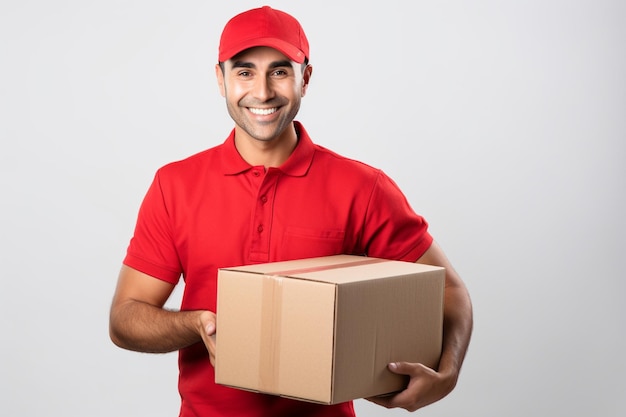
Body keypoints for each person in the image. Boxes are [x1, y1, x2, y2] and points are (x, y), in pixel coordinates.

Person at [109, 5, 473, 417]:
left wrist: (448, 373)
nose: (262, 92)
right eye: (244, 72)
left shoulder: (362, 188)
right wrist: (197, 324)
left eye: (280, 72)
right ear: (220, 78)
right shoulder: (175, 185)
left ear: (305, 78)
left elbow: (448, 290)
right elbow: (126, 317)